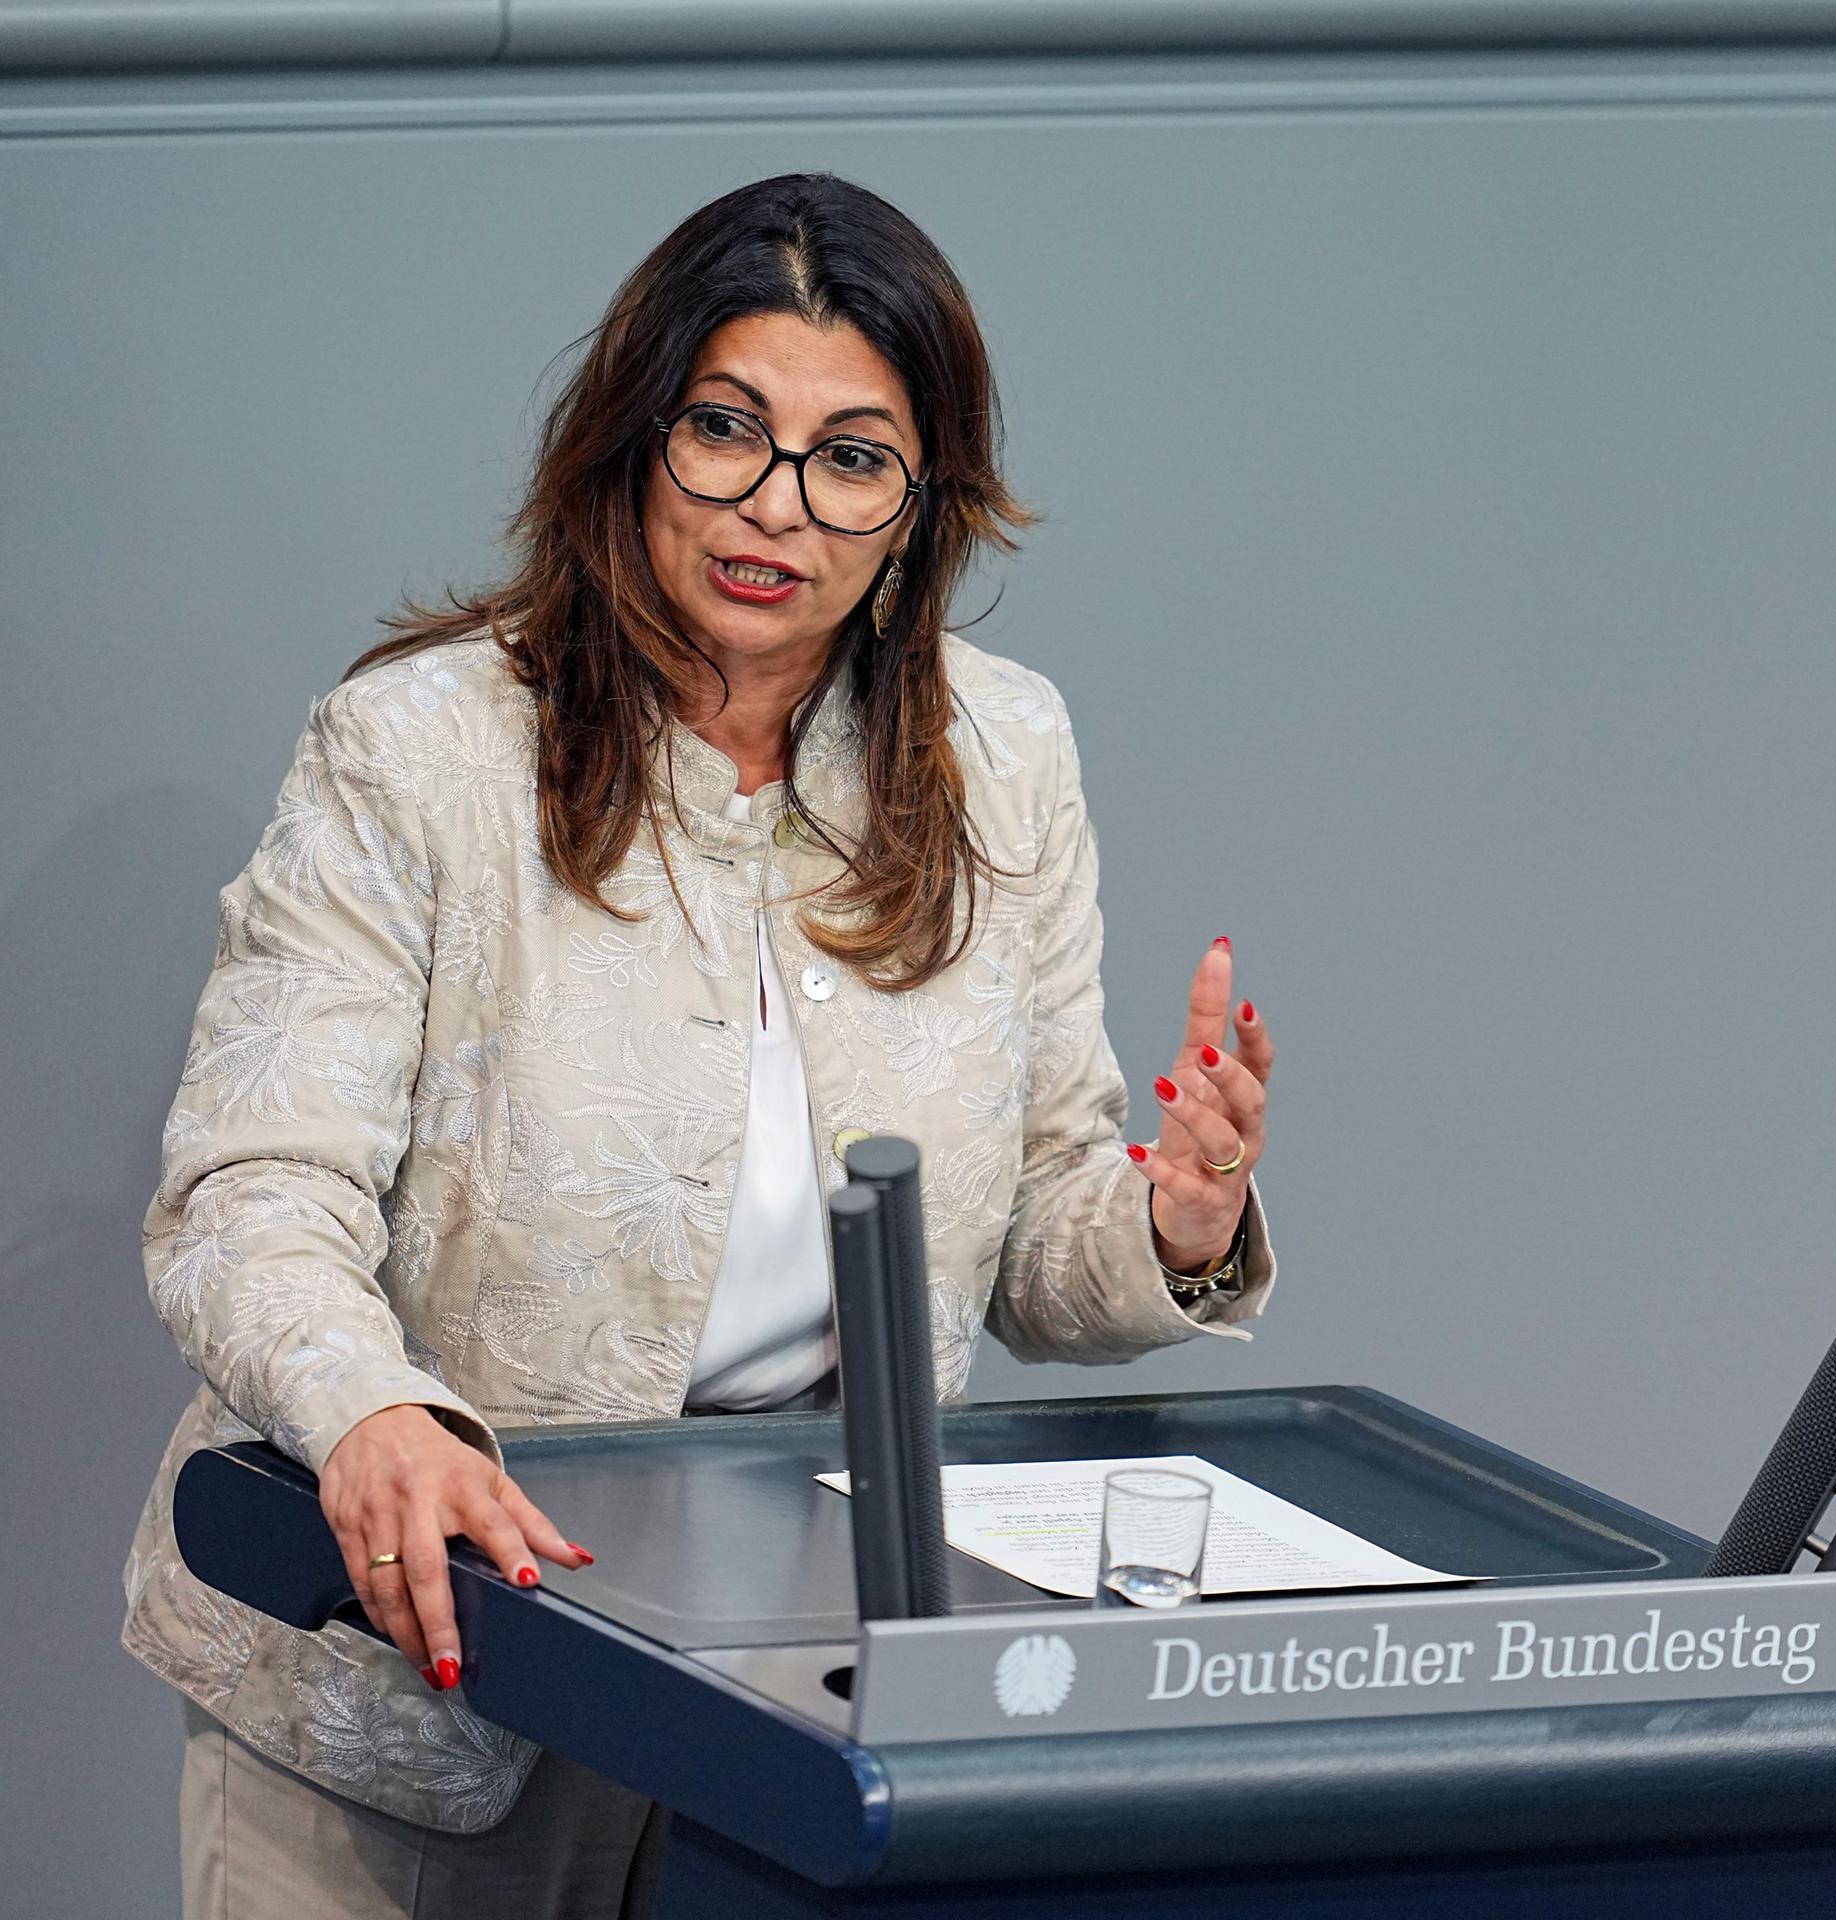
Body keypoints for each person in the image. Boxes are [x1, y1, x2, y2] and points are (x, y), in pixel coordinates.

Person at [123, 171, 1276, 1919]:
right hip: (420, 1667)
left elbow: (1034, 1245)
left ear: (921, 508)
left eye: (852, 458)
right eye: (727, 429)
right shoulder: (418, 750)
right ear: (634, 436)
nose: (776, 505)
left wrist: (1175, 1222)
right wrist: (376, 1410)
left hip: (794, 1698)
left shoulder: (1006, 758)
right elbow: (250, 1189)